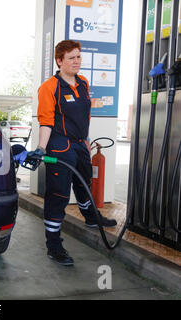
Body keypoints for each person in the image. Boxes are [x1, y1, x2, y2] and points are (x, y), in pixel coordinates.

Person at [28, 40, 117, 266]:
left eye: (78, 57)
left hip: (79, 144)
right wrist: (41, 148)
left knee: (84, 183)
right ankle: (54, 245)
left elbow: (85, 116)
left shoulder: (83, 83)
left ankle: (91, 218)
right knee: (59, 194)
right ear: (59, 61)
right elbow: (46, 121)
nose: (77, 61)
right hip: (59, 145)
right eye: (71, 58)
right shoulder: (49, 87)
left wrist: (86, 141)